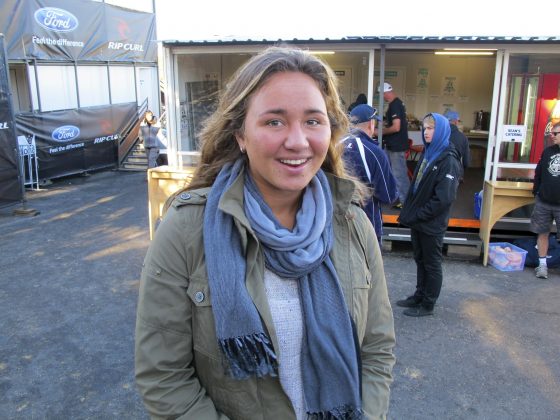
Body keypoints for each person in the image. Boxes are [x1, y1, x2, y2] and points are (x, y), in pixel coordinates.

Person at [135, 46, 396, 419]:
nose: (297, 141)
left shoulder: (352, 224)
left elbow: (377, 350)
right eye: (274, 121)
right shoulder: (186, 229)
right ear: (240, 134)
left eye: (313, 121)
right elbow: (164, 378)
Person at [396, 113, 461, 317]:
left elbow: (443, 199)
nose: (426, 132)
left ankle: (428, 304)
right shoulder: (428, 152)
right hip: (419, 220)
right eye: (425, 128)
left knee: (432, 263)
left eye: (431, 128)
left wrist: (419, 215)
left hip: (431, 223)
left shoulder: (448, 160)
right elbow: (417, 186)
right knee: (420, 259)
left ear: (440, 130)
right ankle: (419, 295)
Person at [341, 104, 399, 244]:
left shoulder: (334, 145)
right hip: (366, 225)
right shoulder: (374, 152)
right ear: (371, 124)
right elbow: (388, 195)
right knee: (369, 266)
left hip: (335, 223)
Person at [530, 122, 560, 279]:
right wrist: (537, 191)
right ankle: (542, 266)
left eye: (555, 133)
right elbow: (539, 172)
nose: (552, 136)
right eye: (552, 133)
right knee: (542, 233)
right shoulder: (548, 151)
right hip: (544, 201)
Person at [374, 82, 410, 207]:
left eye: (382, 94)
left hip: (396, 145)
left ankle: (405, 202)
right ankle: (398, 197)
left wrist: (381, 132)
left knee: (399, 174)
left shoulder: (395, 105)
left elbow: (396, 127)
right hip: (393, 145)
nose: (382, 97)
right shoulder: (396, 104)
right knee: (391, 172)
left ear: (387, 92)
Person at [444, 110, 470, 178]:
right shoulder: (463, 137)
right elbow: (466, 161)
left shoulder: (439, 135)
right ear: (456, 122)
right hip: (456, 171)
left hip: (439, 170)